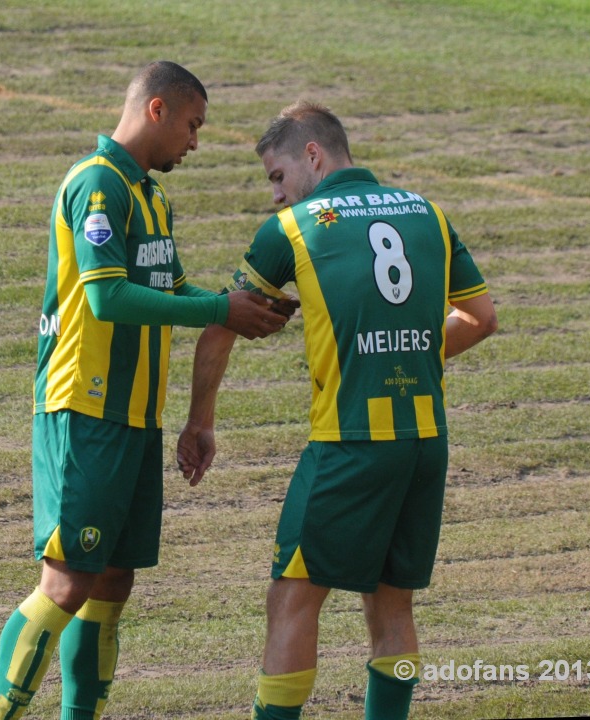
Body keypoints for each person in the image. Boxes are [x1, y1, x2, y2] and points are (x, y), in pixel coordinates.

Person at [0, 61, 295, 720]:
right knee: (67, 582)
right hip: (84, 410)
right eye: (192, 124)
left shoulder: (150, 196)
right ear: (158, 110)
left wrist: (238, 306)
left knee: (114, 581)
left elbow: (168, 288)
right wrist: (218, 313)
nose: (195, 142)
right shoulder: (99, 185)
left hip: (132, 420)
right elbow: (104, 297)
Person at [177, 101, 498, 720]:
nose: (276, 195)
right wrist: (411, 354)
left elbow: (220, 328)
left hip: (348, 444)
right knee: (392, 606)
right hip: (426, 442)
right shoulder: (427, 212)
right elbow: (481, 318)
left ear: (313, 155)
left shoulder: (294, 228)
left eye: (277, 177)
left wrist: (200, 422)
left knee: (292, 598)